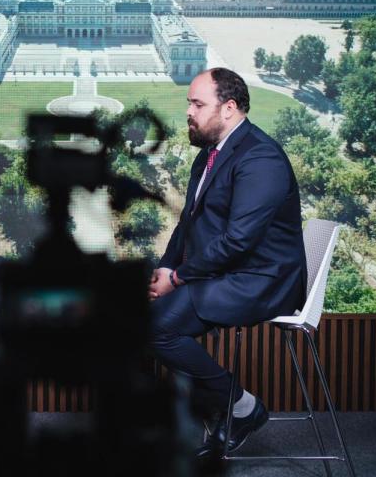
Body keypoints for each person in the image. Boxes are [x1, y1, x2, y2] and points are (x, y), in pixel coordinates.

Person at [147, 68, 306, 460]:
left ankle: (241, 407)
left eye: (198, 104)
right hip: (225, 273)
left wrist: (179, 277)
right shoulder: (208, 156)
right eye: (189, 103)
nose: (189, 111)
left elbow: (239, 241)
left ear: (229, 108)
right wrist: (166, 268)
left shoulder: (260, 157)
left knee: (157, 328)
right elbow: (189, 224)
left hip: (260, 280)